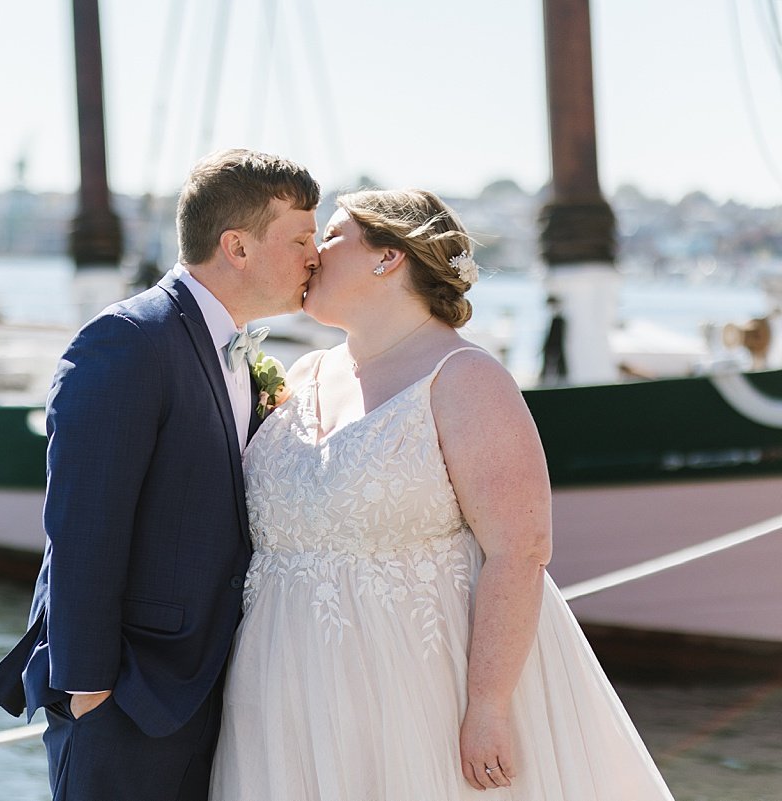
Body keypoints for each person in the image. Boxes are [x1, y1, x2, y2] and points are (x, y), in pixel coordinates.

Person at [210, 189, 674, 800]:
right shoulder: (306, 374)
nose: (312, 253)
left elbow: (521, 549)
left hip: (415, 686)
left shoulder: (465, 378)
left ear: (387, 258)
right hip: (283, 684)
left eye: (331, 237)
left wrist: (487, 706)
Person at [0, 148, 320, 801]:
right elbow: (81, 527)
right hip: (129, 696)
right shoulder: (126, 340)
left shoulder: (237, 352)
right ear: (237, 247)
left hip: (214, 690)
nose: (314, 255)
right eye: (300, 237)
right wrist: (90, 692)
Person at [541, 294, 568, 384]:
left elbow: (556, 336)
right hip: (553, 346)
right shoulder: (554, 319)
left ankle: (561, 377)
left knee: (559, 365)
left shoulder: (559, 319)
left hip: (555, 346)